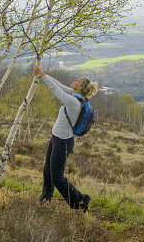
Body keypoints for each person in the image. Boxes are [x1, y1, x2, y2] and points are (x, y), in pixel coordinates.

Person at [33, 63, 98, 211]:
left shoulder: (74, 102)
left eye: (77, 80)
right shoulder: (74, 94)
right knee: (48, 170)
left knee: (57, 177)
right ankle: (45, 199)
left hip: (64, 142)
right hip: (56, 138)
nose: (74, 80)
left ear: (80, 87)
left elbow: (55, 90)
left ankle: (80, 201)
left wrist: (42, 75)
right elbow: (58, 85)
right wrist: (43, 75)